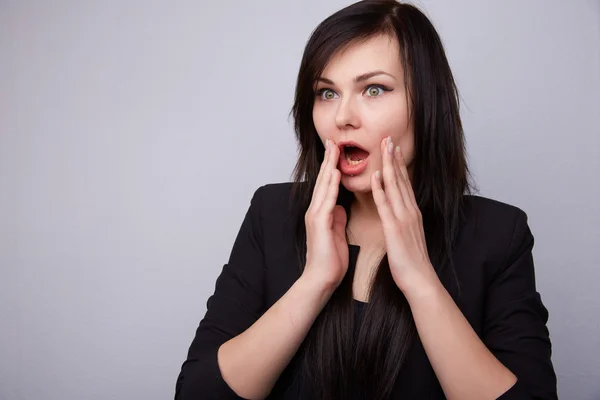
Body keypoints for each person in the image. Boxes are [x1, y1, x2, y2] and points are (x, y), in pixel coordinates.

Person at [174, 1, 557, 399]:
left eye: (374, 89)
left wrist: (420, 280)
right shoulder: (271, 214)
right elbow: (197, 394)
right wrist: (315, 282)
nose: (342, 117)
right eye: (326, 93)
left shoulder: (498, 235)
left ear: (428, 104)